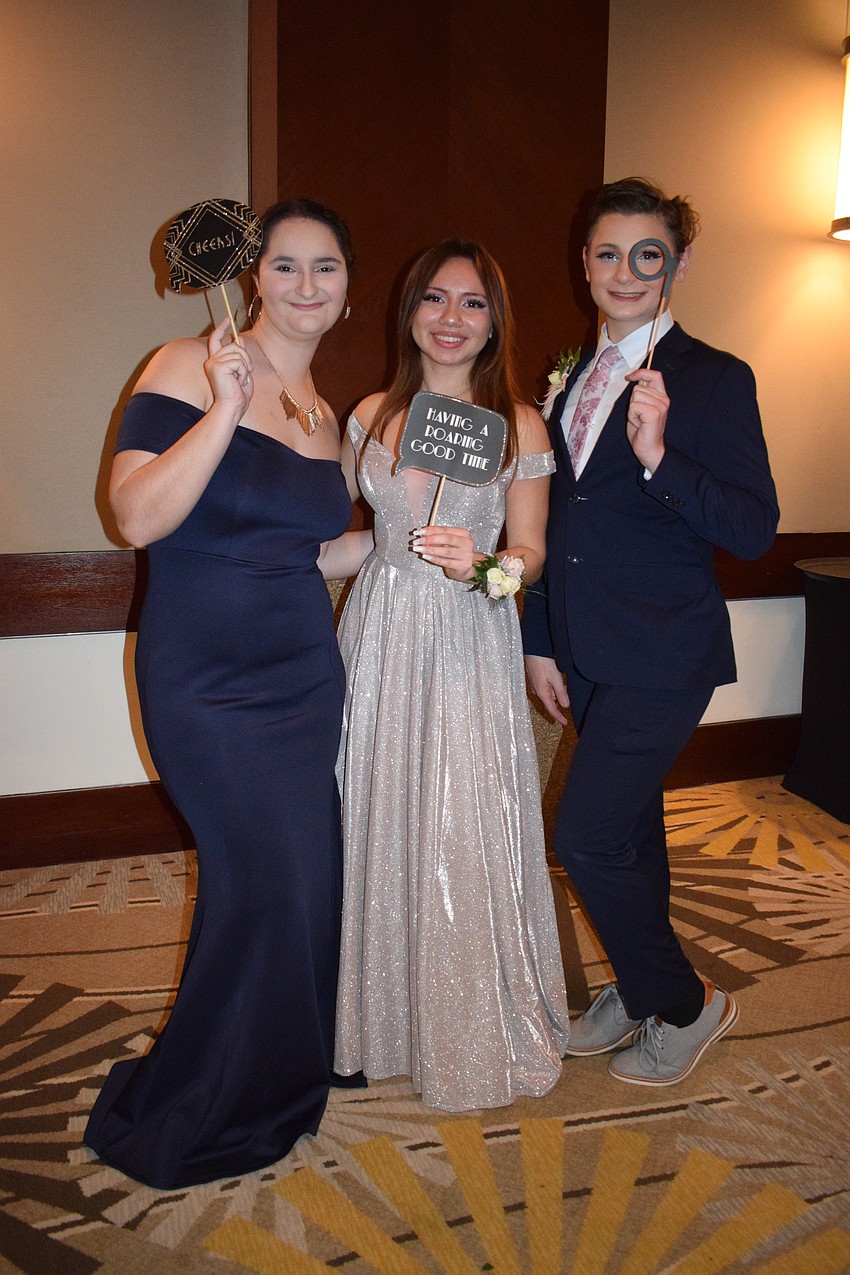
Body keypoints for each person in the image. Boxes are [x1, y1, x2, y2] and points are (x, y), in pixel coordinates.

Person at [85, 199, 370, 1188]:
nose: (304, 286)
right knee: (271, 882)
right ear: (255, 278)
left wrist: (413, 547)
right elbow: (133, 518)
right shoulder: (181, 362)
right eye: (285, 267)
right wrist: (219, 407)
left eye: (324, 269)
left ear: (344, 291)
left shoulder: (325, 416)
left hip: (300, 673)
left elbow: (314, 550)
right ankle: (205, 1100)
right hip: (204, 678)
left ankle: (276, 1083)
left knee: (304, 883)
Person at [522, 178, 779, 1086]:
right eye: (606, 253)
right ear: (583, 262)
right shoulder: (570, 378)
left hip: (666, 652)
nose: (624, 271)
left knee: (587, 835)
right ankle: (636, 988)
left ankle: (684, 1002)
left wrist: (663, 457)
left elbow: (753, 527)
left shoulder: (714, 377)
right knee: (630, 831)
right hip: (587, 649)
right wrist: (539, 638)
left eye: (647, 254)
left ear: (677, 263)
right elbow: (556, 522)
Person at [333, 240, 569, 1111]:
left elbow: (531, 555)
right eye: (434, 298)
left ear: (494, 321)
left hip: (466, 635)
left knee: (458, 817)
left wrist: (484, 563)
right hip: (383, 626)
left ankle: (466, 1023)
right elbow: (367, 536)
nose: (450, 318)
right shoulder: (368, 414)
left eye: (471, 303)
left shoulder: (519, 424)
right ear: (410, 311)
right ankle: (369, 1016)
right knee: (373, 805)